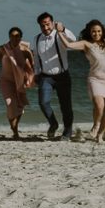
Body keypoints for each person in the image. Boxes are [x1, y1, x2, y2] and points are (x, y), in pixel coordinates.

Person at [57, 19, 105, 143]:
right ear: (89, 32)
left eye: (98, 31)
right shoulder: (86, 44)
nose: (96, 34)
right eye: (93, 32)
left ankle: (100, 134)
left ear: (102, 31)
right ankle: (96, 125)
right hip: (96, 79)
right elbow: (68, 45)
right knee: (99, 105)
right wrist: (59, 32)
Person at [31, 12, 77, 141]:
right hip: (46, 77)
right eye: (42, 25)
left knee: (65, 105)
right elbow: (36, 57)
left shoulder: (59, 35)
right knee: (43, 102)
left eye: (47, 24)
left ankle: (67, 131)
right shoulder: (37, 39)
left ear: (52, 22)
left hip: (62, 75)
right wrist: (36, 73)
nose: (46, 28)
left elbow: (73, 40)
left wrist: (63, 29)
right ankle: (53, 123)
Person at [0, 27, 34, 140]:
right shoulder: (3, 48)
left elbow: (32, 66)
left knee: (20, 106)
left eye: (17, 36)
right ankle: (14, 129)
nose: (14, 38)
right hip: (6, 80)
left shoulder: (25, 50)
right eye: (12, 36)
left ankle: (15, 130)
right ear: (9, 37)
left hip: (19, 80)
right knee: (10, 104)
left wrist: (31, 78)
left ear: (20, 37)